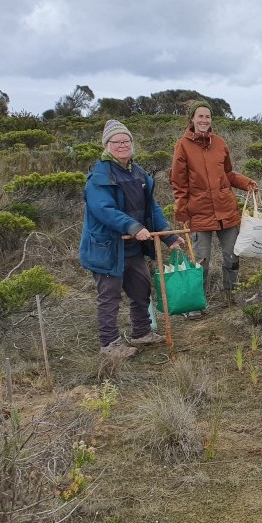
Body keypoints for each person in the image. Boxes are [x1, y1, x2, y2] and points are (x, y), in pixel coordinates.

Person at [79, 119, 181, 361]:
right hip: (107, 247)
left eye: (127, 141)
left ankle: (142, 331)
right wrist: (133, 227)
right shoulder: (99, 177)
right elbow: (103, 209)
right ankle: (109, 344)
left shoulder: (139, 174)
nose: (123, 145)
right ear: (107, 145)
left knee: (141, 290)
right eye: (117, 142)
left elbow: (151, 210)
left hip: (133, 247)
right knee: (109, 297)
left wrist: (170, 237)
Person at [170, 99, 257, 315]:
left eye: (207, 116)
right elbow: (179, 184)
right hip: (199, 213)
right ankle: (195, 304)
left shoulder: (220, 143)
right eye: (200, 116)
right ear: (192, 119)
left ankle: (231, 296)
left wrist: (246, 183)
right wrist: (181, 213)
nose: (204, 120)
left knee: (231, 256)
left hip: (226, 210)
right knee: (201, 261)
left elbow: (228, 173)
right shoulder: (183, 145)